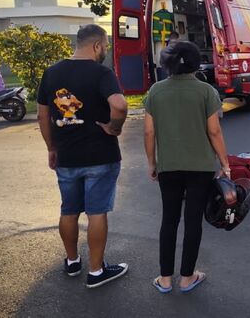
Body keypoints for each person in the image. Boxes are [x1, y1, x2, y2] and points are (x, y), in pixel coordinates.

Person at [37, 24, 129, 289]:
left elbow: (43, 115)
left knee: (69, 209)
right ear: (97, 45)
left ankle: (73, 260)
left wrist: (51, 148)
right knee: (96, 211)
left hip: (66, 155)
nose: (107, 50)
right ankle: (97, 271)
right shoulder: (102, 72)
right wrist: (114, 128)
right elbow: (120, 105)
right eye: (107, 45)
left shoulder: (51, 73)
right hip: (101, 154)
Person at [144, 41, 231, 294]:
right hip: (200, 167)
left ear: (167, 63)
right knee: (193, 221)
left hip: (168, 166)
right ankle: (187, 277)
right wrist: (224, 163)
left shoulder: (156, 91)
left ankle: (165, 279)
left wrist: (152, 162)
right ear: (195, 62)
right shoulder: (205, 91)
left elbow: (149, 132)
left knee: (168, 220)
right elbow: (214, 131)